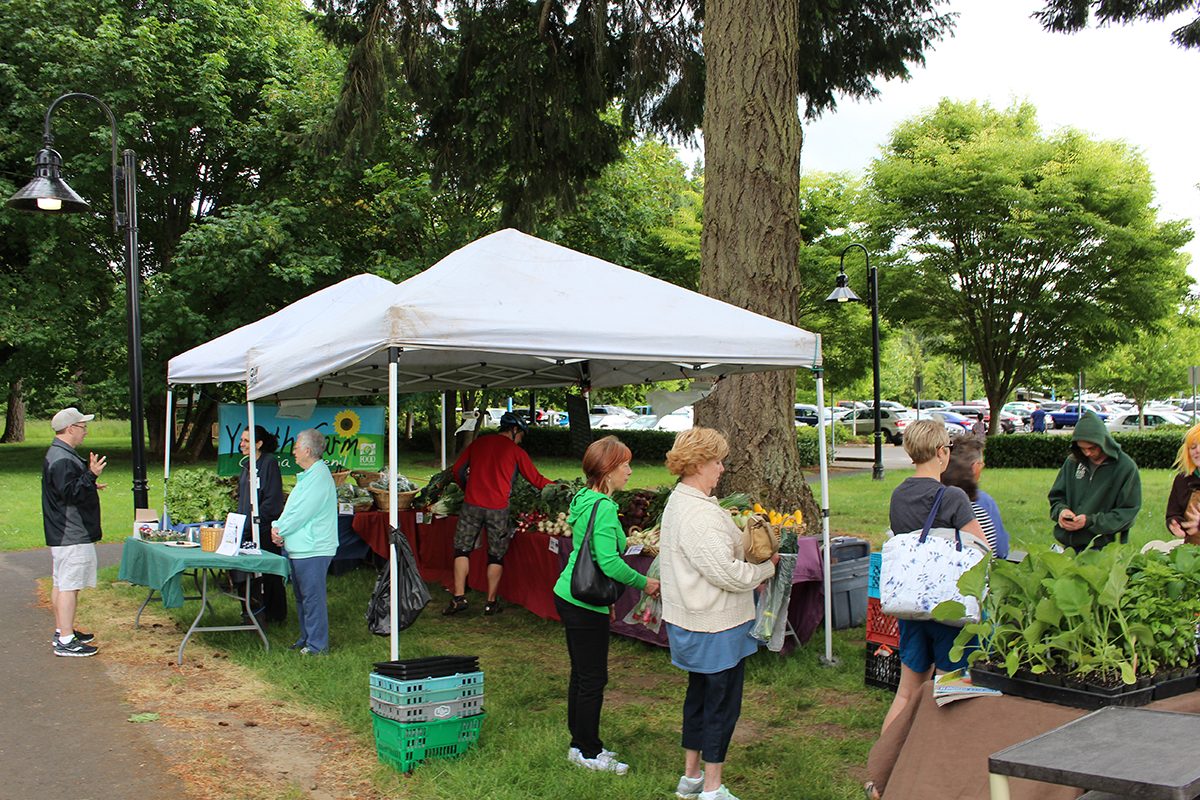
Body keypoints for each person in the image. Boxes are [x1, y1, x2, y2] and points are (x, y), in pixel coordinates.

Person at [659, 427, 778, 800]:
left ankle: (692, 778)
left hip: (697, 622)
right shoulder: (697, 514)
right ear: (696, 464)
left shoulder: (686, 502)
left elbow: (720, 557)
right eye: (716, 461)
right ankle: (711, 788)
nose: (722, 468)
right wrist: (766, 568)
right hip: (714, 625)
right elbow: (727, 573)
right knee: (720, 707)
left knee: (700, 699)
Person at [552, 436, 661, 775]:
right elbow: (609, 562)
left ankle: (579, 745)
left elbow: (599, 559)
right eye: (624, 464)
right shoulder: (602, 507)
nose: (630, 470)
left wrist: (606, 601)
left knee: (582, 675)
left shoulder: (587, 500)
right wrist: (647, 583)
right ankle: (588, 752)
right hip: (581, 600)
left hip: (576, 595)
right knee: (593, 678)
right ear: (607, 470)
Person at [878, 421, 988, 749]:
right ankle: (937, 764)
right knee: (952, 690)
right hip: (948, 609)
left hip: (910, 607)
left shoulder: (899, 495)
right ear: (942, 452)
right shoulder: (952, 496)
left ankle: (884, 766)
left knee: (907, 691)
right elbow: (981, 547)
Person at [443, 411, 552, 616]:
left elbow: (457, 470)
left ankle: (458, 598)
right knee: (495, 555)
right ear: (514, 430)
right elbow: (536, 480)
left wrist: (467, 488)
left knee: (462, 550)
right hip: (498, 508)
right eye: (521, 435)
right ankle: (490, 603)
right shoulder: (516, 452)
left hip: (471, 505)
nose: (520, 440)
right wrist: (559, 486)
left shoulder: (478, 443)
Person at [43, 407, 106, 657]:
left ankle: (63, 630)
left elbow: (65, 488)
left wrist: (89, 482)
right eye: (82, 427)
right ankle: (66, 640)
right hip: (71, 532)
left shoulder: (59, 454)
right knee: (69, 584)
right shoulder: (63, 458)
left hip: (62, 531)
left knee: (61, 582)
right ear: (70, 429)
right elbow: (70, 493)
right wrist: (90, 475)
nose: (85, 432)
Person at [271, 429, 338, 654]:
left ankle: (317, 645)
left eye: (296, 447)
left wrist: (280, 529)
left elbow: (303, 513)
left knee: (312, 598)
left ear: (308, 450)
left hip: (313, 548)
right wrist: (278, 527)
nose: (293, 452)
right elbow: (292, 509)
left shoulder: (318, 477)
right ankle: (307, 638)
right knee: (303, 598)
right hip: (301, 548)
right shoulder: (309, 475)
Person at [1048, 411, 1142, 552]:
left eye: (1092, 448)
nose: (1087, 453)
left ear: (1103, 441)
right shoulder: (1073, 462)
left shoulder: (1125, 467)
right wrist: (1061, 512)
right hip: (1069, 545)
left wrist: (1090, 521)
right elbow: (1057, 497)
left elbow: (1128, 512)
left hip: (1105, 548)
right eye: (1082, 448)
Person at [237, 425, 286, 624]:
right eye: (241, 440)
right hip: (246, 527)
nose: (242, 444)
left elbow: (272, 500)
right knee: (246, 572)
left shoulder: (269, 464)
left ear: (259, 444)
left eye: (247, 441)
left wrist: (253, 522)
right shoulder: (247, 465)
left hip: (263, 528)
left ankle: (275, 614)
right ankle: (251, 610)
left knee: (269, 573)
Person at [942, 436, 1010, 559]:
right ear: (974, 467)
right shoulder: (983, 502)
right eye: (981, 463)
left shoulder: (933, 497)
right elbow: (1001, 551)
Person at [1165, 423, 1200, 544]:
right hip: (1192, 552)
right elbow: (1173, 513)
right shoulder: (1182, 480)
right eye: (1193, 447)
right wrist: (1175, 524)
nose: (1198, 451)